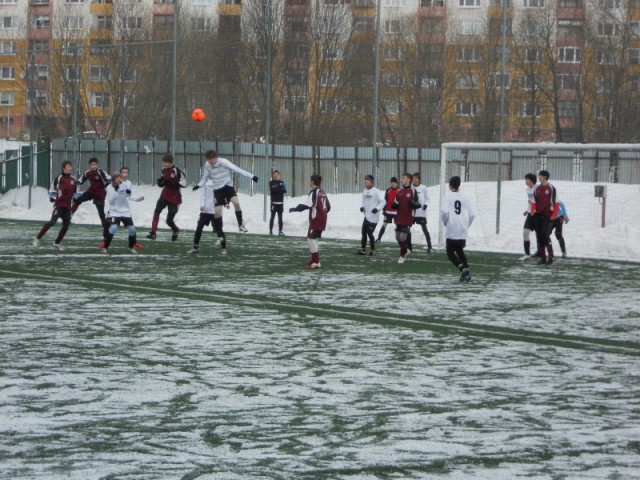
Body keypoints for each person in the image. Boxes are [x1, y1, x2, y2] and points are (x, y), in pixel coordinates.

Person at [192, 149, 258, 233]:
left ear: (216, 157)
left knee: (236, 202)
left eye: (211, 159)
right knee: (218, 212)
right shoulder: (207, 165)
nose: (210, 161)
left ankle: (241, 224)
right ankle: (219, 231)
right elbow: (204, 178)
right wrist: (198, 185)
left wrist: (252, 176)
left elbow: (236, 169)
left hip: (228, 186)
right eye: (208, 159)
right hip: (217, 189)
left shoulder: (223, 162)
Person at [33, 160, 77, 250]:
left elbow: (75, 192)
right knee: (52, 222)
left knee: (66, 226)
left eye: (70, 166)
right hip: (59, 205)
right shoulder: (59, 178)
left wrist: (75, 199)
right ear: (64, 168)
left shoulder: (74, 179)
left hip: (68, 207)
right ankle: (37, 238)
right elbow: (51, 190)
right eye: (68, 166)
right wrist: (51, 197)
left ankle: (57, 243)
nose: (70, 168)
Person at [289, 174, 330, 269]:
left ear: (312, 182)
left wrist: (295, 209)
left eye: (310, 180)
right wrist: (322, 213)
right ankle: (314, 259)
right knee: (313, 238)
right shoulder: (323, 192)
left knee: (310, 238)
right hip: (322, 219)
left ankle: (316, 262)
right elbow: (328, 207)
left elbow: (307, 205)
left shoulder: (314, 192)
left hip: (316, 219)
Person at [440, 175, 475, 282]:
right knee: (460, 250)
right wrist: (466, 225)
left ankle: (461, 268)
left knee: (450, 252)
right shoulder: (465, 197)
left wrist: (446, 222)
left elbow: (444, 212)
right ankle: (466, 270)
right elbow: (472, 214)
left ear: (450, 185)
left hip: (452, 227)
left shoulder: (447, 196)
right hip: (462, 228)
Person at [101, 171, 144, 254]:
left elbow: (129, 195)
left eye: (120, 177)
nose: (120, 179)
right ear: (113, 179)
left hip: (125, 211)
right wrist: (117, 192)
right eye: (118, 177)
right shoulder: (109, 187)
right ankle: (105, 247)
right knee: (113, 229)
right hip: (114, 211)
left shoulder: (124, 184)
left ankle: (131, 248)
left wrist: (137, 199)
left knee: (132, 230)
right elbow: (111, 201)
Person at [147, 154, 185, 240]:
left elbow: (184, 183)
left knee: (169, 220)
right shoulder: (163, 170)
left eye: (165, 162)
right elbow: (164, 179)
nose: (163, 164)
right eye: (163, 162)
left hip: (175, 198)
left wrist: (173, 183)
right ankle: (153, 232)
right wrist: (161, 182)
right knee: (157, 211)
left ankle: (175, 230)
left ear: (170, 162)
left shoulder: (176, 170)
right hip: (164, 195)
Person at [72, 157, 111, 243]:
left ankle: (106, 233)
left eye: (95, 164)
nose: (94, 166)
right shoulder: (87, 172)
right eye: (92, 164)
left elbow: (108, 178)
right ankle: (70, 213)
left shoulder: (100, 171)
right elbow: (81, 180)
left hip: (100, 194)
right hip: (91, 191)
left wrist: (107, 182)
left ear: (97, 165)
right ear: (89, 165)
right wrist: (77, 182)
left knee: (101, 214)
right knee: (78, 200)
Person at [187, 180, 227, 256]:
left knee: (219, 230)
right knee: (199, 228)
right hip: (205, 211)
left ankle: (223, 249)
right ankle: (195, 248)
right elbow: (203, 195)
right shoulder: (206, 182)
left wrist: (224, 203)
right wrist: (202, 205)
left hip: (216, 211)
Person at [392, 173, 420, 264]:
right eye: (402, 178)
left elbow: (419, 203)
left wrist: (414, 204)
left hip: (408, 217)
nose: (402, 179)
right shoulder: (399, 191)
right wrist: (394, 205)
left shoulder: (413, 191)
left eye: (403, 178)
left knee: (403, 237)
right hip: (399, 216)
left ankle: (402, 256)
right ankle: (406, 249)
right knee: (397, 237)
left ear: (408, 180)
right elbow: (396, 202)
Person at [533, 169, 560, 265]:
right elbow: (534, 202)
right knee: (539, 236)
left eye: (540, 175)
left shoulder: (552, 188)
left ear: (545, 177)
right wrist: (533, 211)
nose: (538, 177)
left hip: (548, 216)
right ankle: (543, 258)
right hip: (538, 215)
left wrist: (554, 215)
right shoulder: (537, 188)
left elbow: (557, 203)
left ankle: (552, 257)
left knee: (545, 235)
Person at [358, 174, 385, 256]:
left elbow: (383, 202)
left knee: (370, 233)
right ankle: (363, 250)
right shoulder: (364, 191)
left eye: (367, 179)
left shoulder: (376, 191)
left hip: (374, 218)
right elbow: (363, 201)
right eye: (365, 179)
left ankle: (373, 250)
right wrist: (362, 207)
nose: (365, 181)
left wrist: (377, 209)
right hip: (366, 217)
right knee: (363, 233)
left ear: (372, 182)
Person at [411, 172, 433, 253]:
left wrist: (426, 205)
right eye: (413, 178)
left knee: (425, 229)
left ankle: (429, 246)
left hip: (421, 213)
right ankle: (408, 246)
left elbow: (428, 199)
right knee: (407, 228)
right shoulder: (411, 188)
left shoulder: (423, 188)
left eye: (416, 178)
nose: (415, 180)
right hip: (413, 213)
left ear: (419, 179)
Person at [520, 173, 538, 260]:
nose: (526, 181)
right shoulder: (527, 190)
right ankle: (527, 254)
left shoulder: (538, 188)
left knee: (540, 235)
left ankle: (541, 252)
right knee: (525, 233)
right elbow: (530, 201)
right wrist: (527, 210)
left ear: (533, 180)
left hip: (538, 214)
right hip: (530, 214)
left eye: (527, 179)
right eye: (525, 179)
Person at [376, 176, 399, 243]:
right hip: (388, 211)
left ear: (396, 183)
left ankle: (399, 240)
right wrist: (384, 210)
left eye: (394, 182)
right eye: (391, 182)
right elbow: (385, 201)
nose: (392, 183)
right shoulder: (388, 190)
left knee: (398, 226)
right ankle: (379, 238)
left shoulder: (399, 190)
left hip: (396, 212)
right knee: (384, 225)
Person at [269, 170, 287, 236]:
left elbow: (285, 190)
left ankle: (280, 231)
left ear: (279, 175)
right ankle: (270, 231)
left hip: (280, 203)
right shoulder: (271, 183)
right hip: (273, 203)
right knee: (272, 217)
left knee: (280, 218)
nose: (276, 175)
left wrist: (278, 188)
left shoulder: (282, 182)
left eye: (277, 174)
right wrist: (280, 188)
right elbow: (273, 190)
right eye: (274, 174)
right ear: (273, 175)